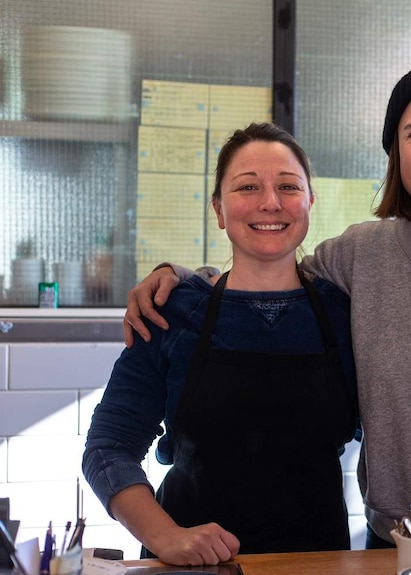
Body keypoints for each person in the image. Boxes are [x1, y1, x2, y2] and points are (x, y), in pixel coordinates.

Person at [124, 62, 411, 548]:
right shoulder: (360, 254)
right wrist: (178, 277)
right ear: (395, 151)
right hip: (394, 541)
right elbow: (265, 270)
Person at [83, 123, 358, 565]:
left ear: (309, 201)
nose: (270, 202)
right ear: (218, 209)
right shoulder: (170, 312)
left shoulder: (345, 316)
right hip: (191, 569)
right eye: (247, 186)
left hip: (317, 562)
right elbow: (108, 448)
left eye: (288, 186)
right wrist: (167, 537)